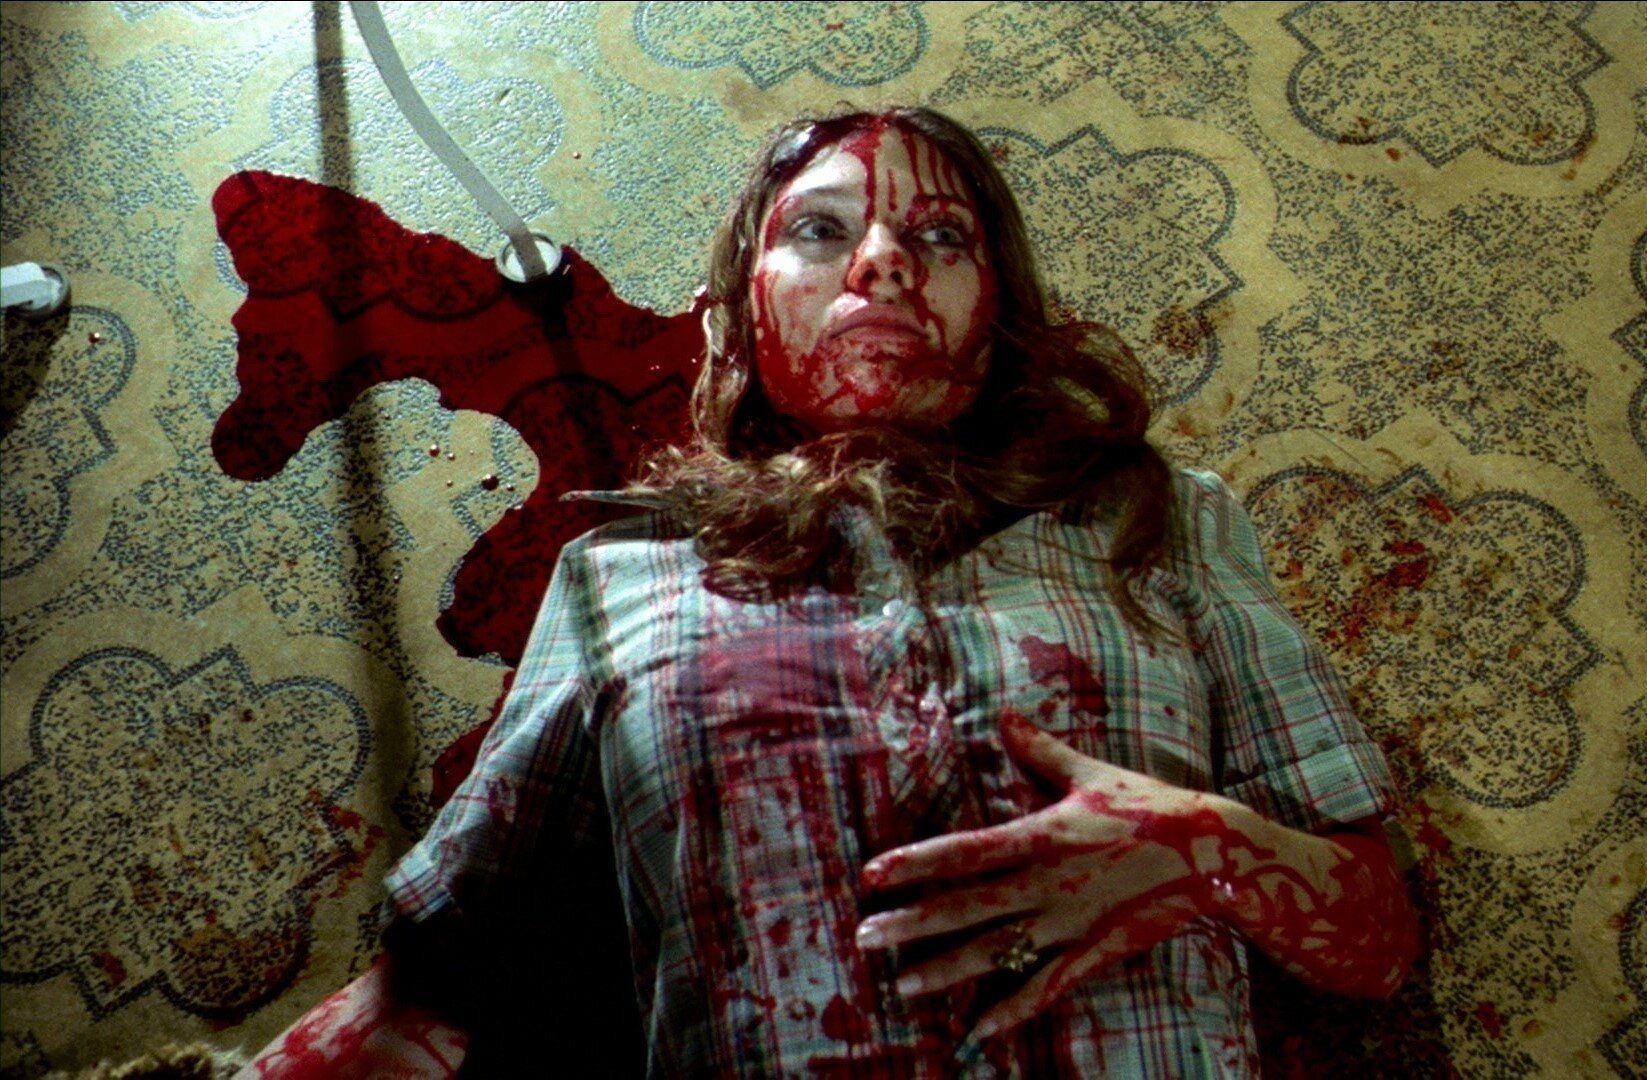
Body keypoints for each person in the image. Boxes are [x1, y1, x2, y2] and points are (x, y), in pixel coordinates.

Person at [241, 106, 1418, 1078]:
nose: (885, 259)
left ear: (1001, 310)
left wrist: (1205, 849)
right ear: (741, 315)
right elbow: (447, 980)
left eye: (942, 235)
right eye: (819, 228)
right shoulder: (619, 579)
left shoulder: (1161, 521)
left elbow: (1379, 939)